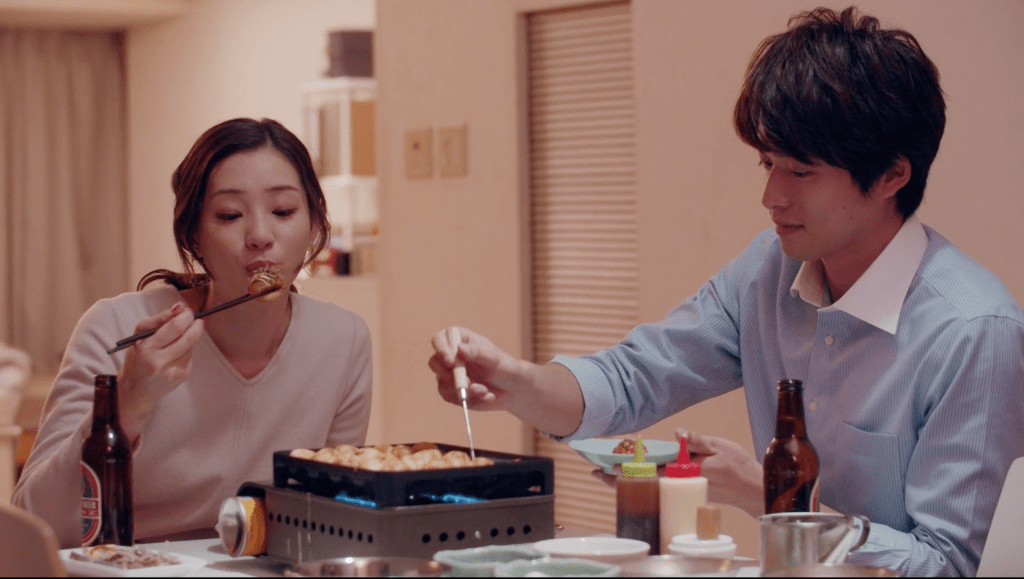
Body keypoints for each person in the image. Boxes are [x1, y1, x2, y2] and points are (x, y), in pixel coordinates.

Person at [428, 7, 1024, 577]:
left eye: (801, 171)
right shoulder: (768, 271)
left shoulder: (974, 332)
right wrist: (518, 382)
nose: (772, 197)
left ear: (893, 174)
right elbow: (636, 376)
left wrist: (774, 500)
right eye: (767, 163)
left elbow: (951, 564)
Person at [14, 118, 373, 547]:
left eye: (283, 211)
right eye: (229, 215)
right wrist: (130, 397)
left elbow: (334, 519)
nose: (260, 236)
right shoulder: (115, 328)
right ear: (194, 237)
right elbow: (37, 522)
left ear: (314, 225)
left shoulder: (343, 340)